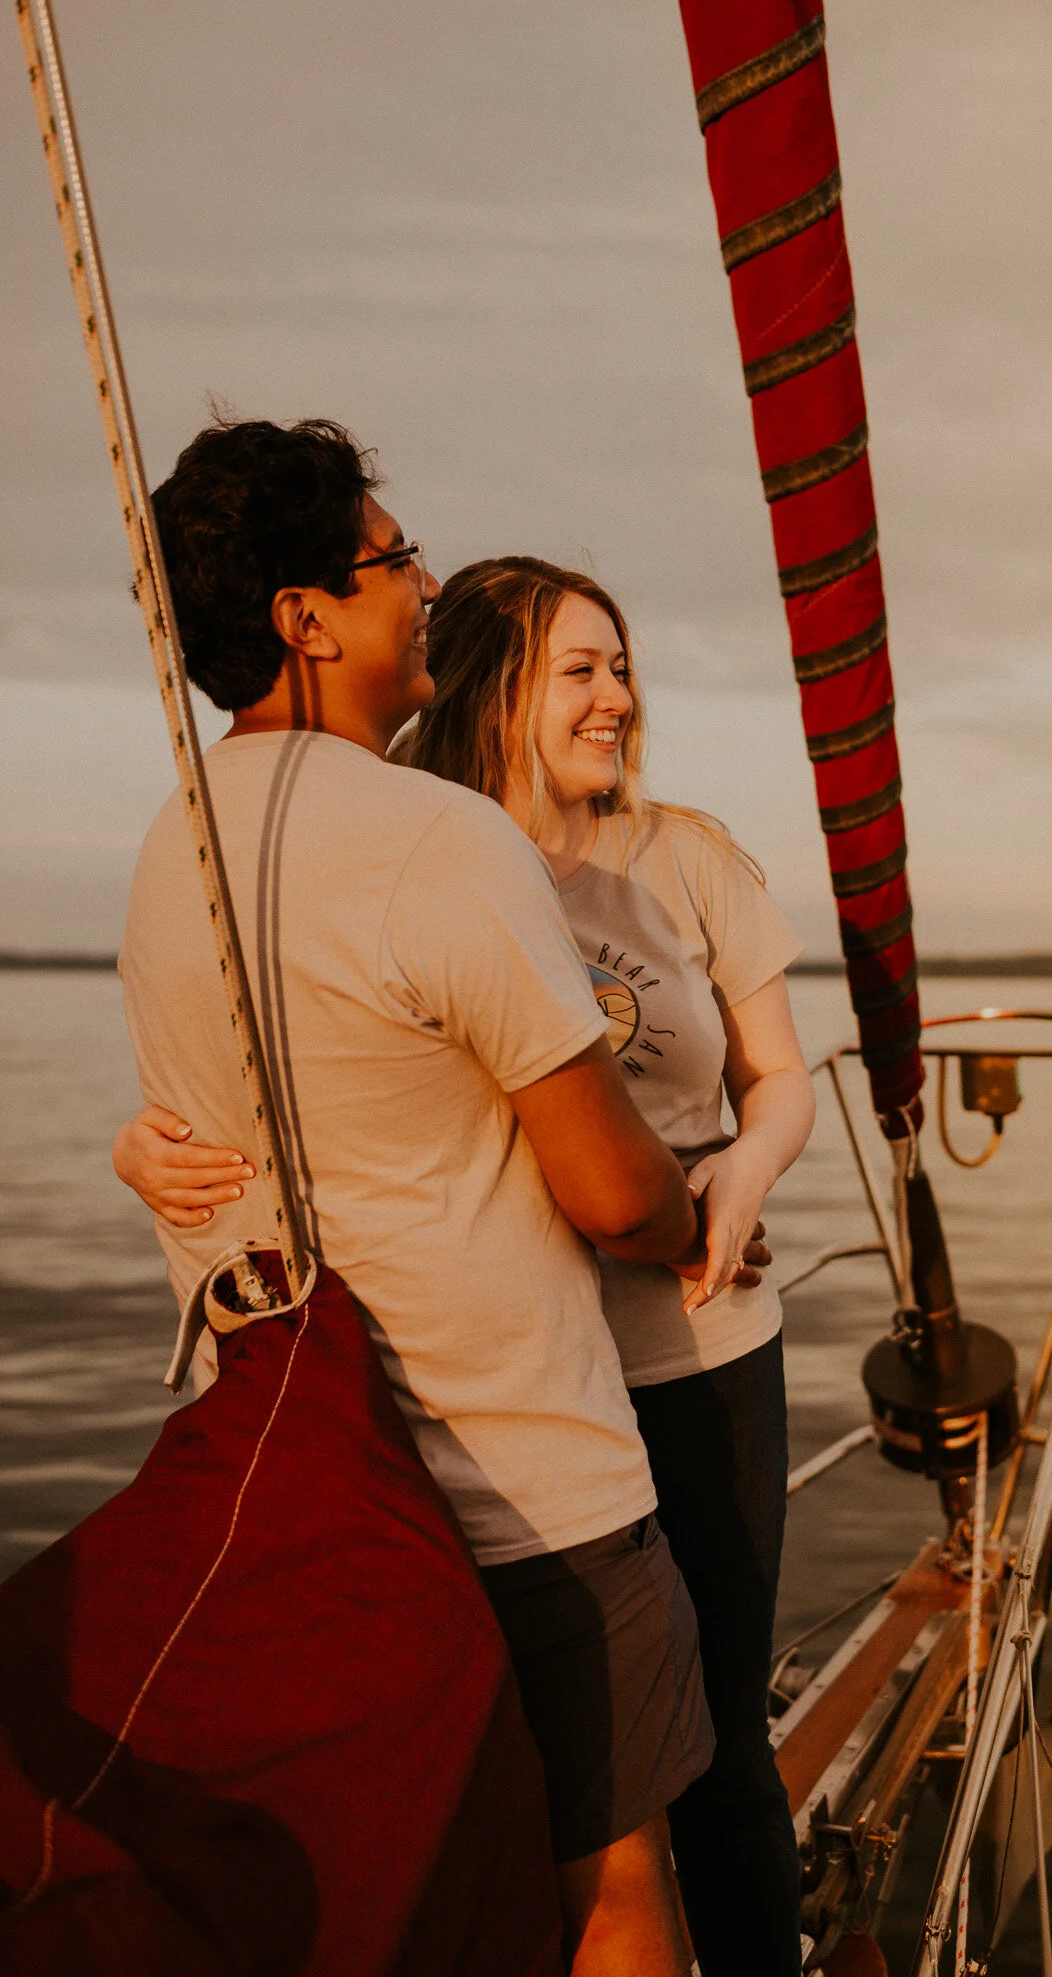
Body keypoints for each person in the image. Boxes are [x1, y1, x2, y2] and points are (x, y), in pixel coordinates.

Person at [115, 419, 765, 1977]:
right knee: (610, 1891)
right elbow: (613, 1193)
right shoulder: (438, 839)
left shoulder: (165, 849)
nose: (422, 587)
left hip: (312, 1492)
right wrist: (699, 1222)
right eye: (392, 560)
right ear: (305, 614)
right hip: (522, 1490)